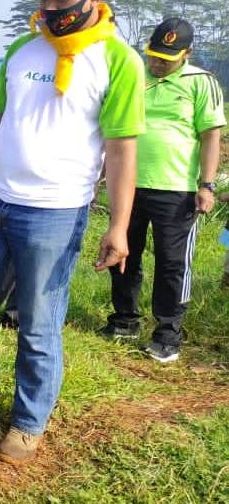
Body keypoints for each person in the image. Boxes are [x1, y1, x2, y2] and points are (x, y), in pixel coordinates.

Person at [0, 0, 145, 465]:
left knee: (38, 321)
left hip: (54, 210)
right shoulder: (24, 51)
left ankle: (28, 421)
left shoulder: (118, 60)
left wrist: (119, 226)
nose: (52, 6)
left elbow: (121, 150)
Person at [101, 18, 224, 362]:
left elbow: (210, 136)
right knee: (124, 254)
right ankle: (125, 320)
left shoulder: (202, 82)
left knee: (172, 264)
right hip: (129, 184)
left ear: (187, 53)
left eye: (165, 59)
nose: (157, 64)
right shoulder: (135, 77)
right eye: (153, 56)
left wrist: (207, 184)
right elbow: (114, 129)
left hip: (177, 189)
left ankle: (168, 334)